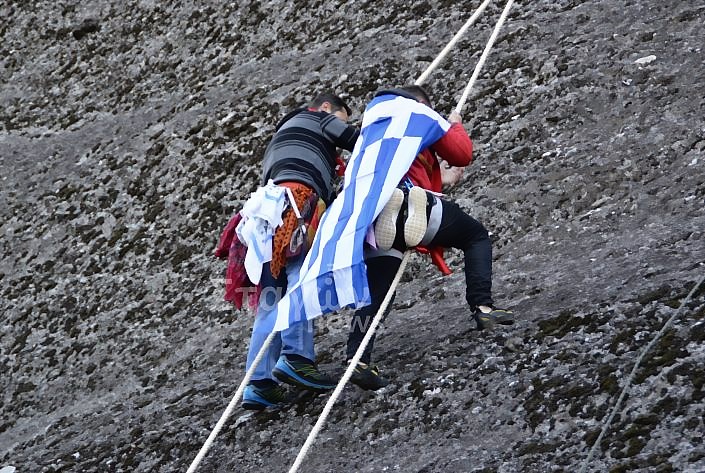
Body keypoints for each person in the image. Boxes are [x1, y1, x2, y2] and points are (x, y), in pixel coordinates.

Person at [345, 85, 514, 391]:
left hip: (374, 215)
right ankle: (484, 309)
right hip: (413, 205)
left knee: (377, 292)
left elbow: (412, 165)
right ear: (422, 103)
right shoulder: (418, 113)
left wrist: (441, 177)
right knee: (475, 236)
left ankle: (356, 356)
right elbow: (462, 153)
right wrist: (454, 123)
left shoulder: (372, 128)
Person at [233, 93, 360, 409]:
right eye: (342, 116)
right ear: (329, 108)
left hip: (264, 217)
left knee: (270, 297)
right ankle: (296, 357)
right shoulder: (318, 117)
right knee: (299, 277)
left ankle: (259, 383)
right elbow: (357, 139)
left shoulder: (282, 135)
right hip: (297, 204)